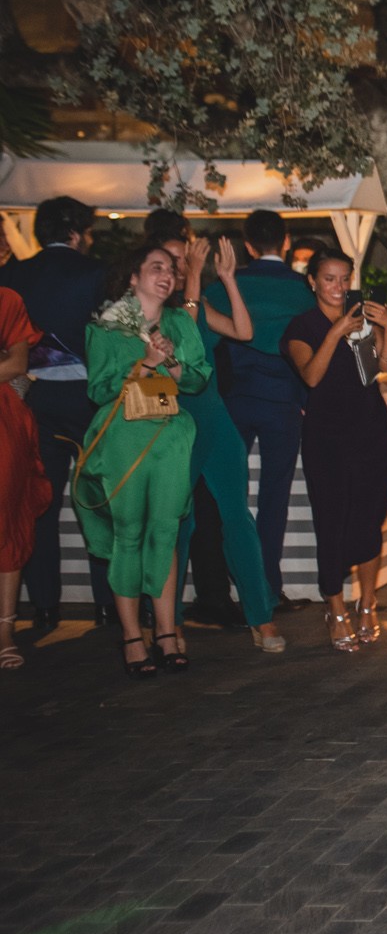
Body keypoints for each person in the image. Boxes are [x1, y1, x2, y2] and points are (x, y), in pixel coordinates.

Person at [74, 244, 211, 677]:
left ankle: (167, 633)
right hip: (123, 438)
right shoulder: (104, 326)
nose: (167, 275)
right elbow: (98, 389)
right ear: (133, 277)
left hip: (168, 437)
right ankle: (133, 636)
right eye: (157, 268)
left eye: (171, 269)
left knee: (165, 531)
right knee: (128, 533)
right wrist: (145, 363)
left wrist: (171, 363)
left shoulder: (178, 322)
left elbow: (198, 379)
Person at [168, 232, 285, 652]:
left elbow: (244, 330)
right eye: (174, 262)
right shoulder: (151, 314)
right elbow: (187, 345)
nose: (180, 268)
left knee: (238, 517)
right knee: (178, 523)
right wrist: (195, 277)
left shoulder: (199, 304)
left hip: (214, 417)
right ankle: (168, 624)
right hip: (174, 422)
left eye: (184, 260)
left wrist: (230, 279)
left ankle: (262, 617)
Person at [282, 249, 387, 653]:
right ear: (312, 281)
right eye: (329, 278)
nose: (338, 286)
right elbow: (311, 376)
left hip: (373, 434)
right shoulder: (301, 326)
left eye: (344, 278)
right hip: (328, 439)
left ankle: (367, 602)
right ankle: (335, 608)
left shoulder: (364, 320)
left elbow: (386, 364)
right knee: (331, 524)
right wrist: (336, 332)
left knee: (369, 522)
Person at [0, 196, 110, 627]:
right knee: (97, 501)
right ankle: (107, 604)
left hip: (32, 396)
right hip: (87, 399)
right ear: (77, 233)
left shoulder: (13, 274)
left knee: (38, 502)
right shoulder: (97, 273)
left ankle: (45, 604)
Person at [224, 208, 317, 607]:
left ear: (247, 245)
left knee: (229, 496)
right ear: (286, 241)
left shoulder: (229, 284)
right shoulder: (302, 290)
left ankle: (236, 584)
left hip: (235, 398)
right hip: (283, 399)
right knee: (273, 497)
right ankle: (268, 587)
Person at [0, 283, 51, 669]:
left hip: (4, 421)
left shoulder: (7, 299)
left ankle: (4, 631)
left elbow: (17, 364)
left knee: (8, 520)